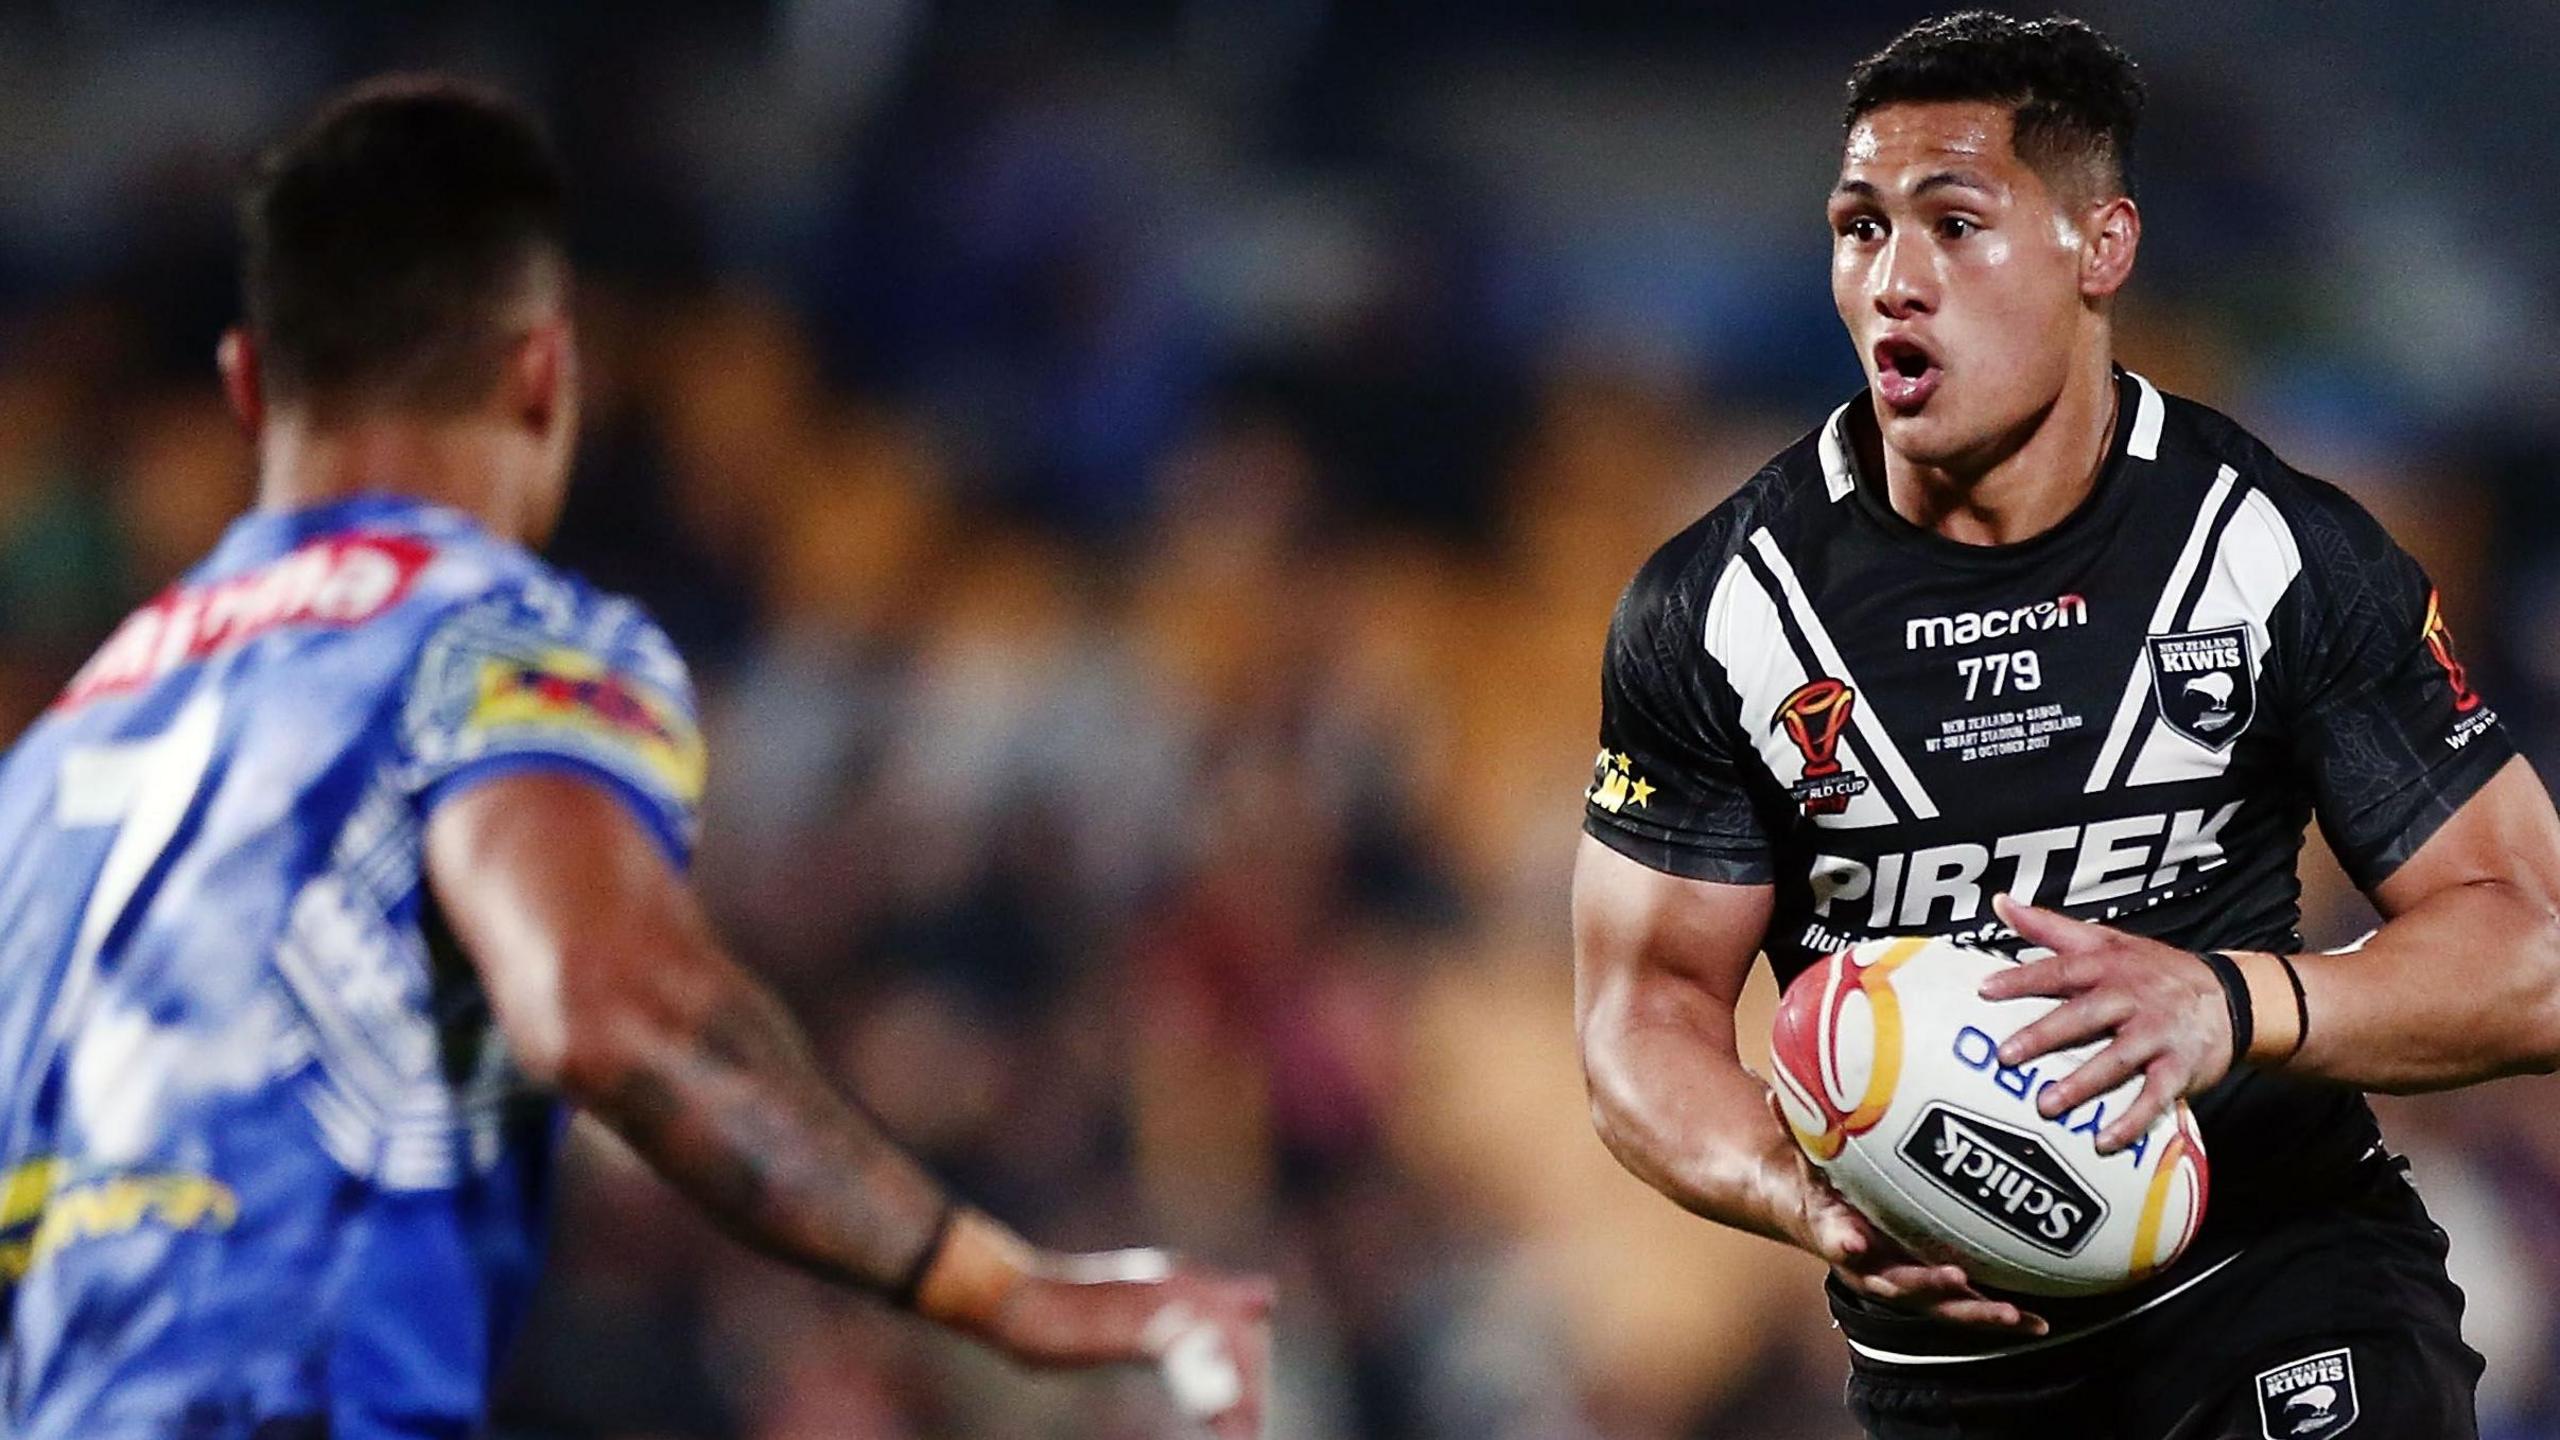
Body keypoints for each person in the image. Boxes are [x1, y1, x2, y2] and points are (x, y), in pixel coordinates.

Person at [0, 76, 1268, 1440]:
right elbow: (607, 1005)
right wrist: (1002, 1289)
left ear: (247, 387)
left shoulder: (61, 746)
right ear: (545, 372)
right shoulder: (493, 642)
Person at [1572, 12, 2560, 1439]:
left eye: (1955, 224)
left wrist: (2232, 1004)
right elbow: (1640, 1018)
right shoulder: (1721, 609)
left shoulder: (2272, 552)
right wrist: (1801, 1194)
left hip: (2285, 1289)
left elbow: (2533, 953)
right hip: (1953, 1373)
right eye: (1861, 229)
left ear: (2101, 250)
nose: (1895, 279)